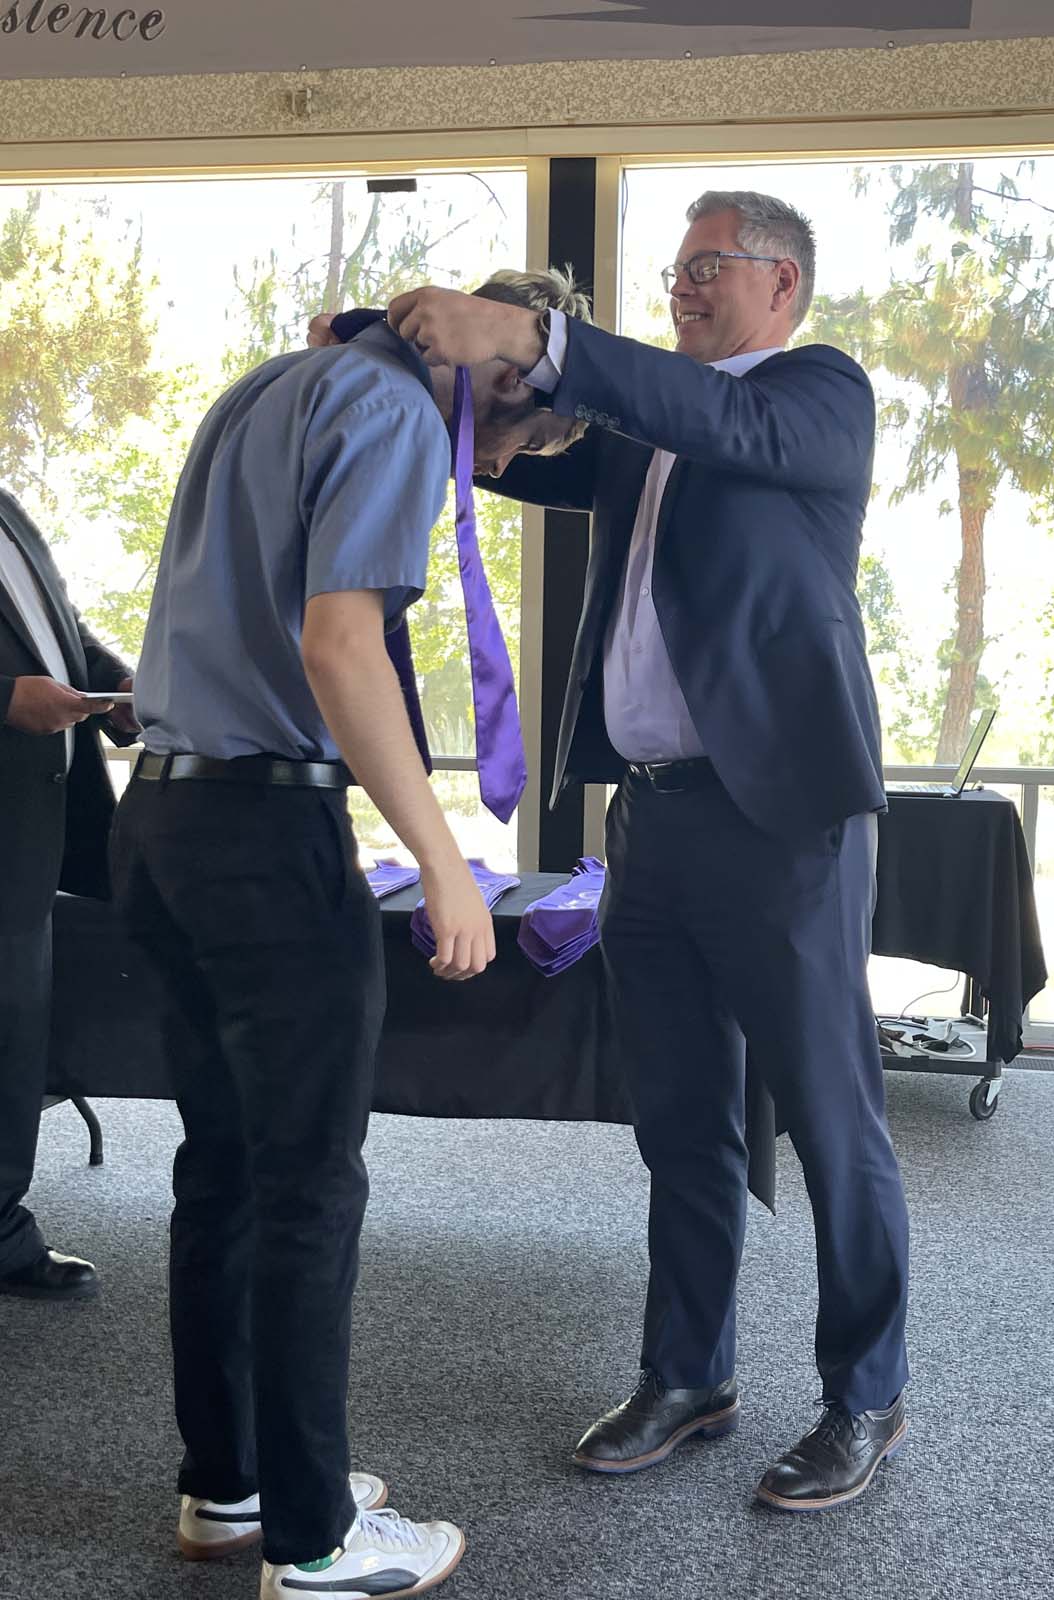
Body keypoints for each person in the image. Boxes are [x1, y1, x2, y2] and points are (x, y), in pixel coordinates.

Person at [372, 191, 911, 1513]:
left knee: (832, 1120)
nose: (680, 285)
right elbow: (517, 458)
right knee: (679, 1117)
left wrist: (539, 332)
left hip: (781, 818)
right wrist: (428, 370)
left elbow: (711, 416)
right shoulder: (648, 423)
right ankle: (690, 1375)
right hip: (655, 821)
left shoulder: (814, 395)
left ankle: (865, 1394)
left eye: (706, 267)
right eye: (673, 268)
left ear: (782, 285)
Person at [109, 267, 589, 1600]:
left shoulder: (270, 386)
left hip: (160, 818)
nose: (481, 472)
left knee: (223, 1172)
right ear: (501, 377)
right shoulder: (386, 411)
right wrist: (441, 859)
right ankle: (316, 1540)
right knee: (309, 1185)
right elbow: (339, 645)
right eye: (504, 445)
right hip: (267, 841)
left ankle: (233, 1484)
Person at [0, 486, 138, 1303]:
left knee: (15, 1040)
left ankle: (4, 1233)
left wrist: (112, 681)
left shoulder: (9, 507)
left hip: (28, 834)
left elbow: (55, 626)